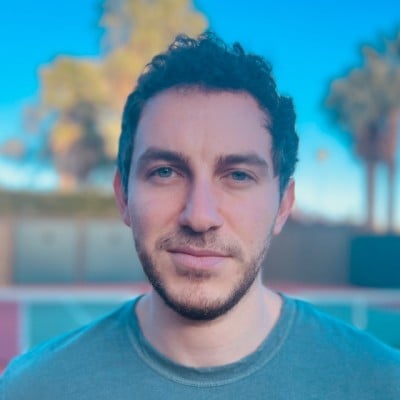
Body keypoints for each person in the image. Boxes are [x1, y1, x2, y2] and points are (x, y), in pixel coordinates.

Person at [1, 32, 399, 400]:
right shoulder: (32, 389)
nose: (200, 216)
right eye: (165, 172)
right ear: (123, 196)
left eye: (238, 175)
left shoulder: (381, 384)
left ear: (283, 205)